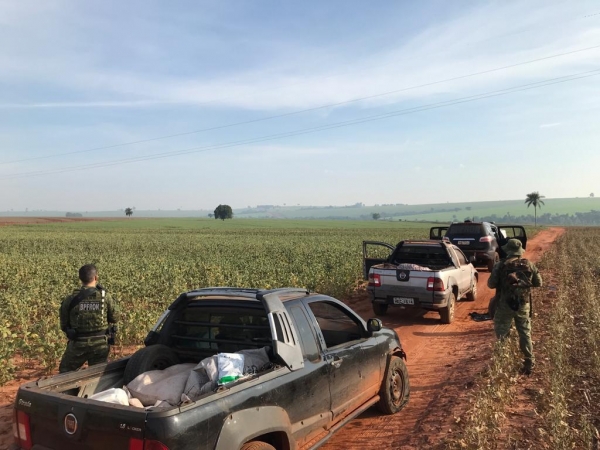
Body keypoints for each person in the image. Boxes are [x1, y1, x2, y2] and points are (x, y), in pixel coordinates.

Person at [487, 239, 542, 375]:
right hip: (523, 305)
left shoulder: (500, 265)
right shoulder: (529, 264)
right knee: (525, 334)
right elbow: (538, 283)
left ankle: (503, 364)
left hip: (505, 305)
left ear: (508, 250)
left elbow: (491, 284)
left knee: (502, 334)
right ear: (520, 251)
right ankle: (529, 363)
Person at [58, 264, 119, 373]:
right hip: (100, 344)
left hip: (78, 344)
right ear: (96, 277)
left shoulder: (70, 299)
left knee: (65, 372)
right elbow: (115, 318)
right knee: (97, 374)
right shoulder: (105, 297)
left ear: (80, 278)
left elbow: (64, 325)